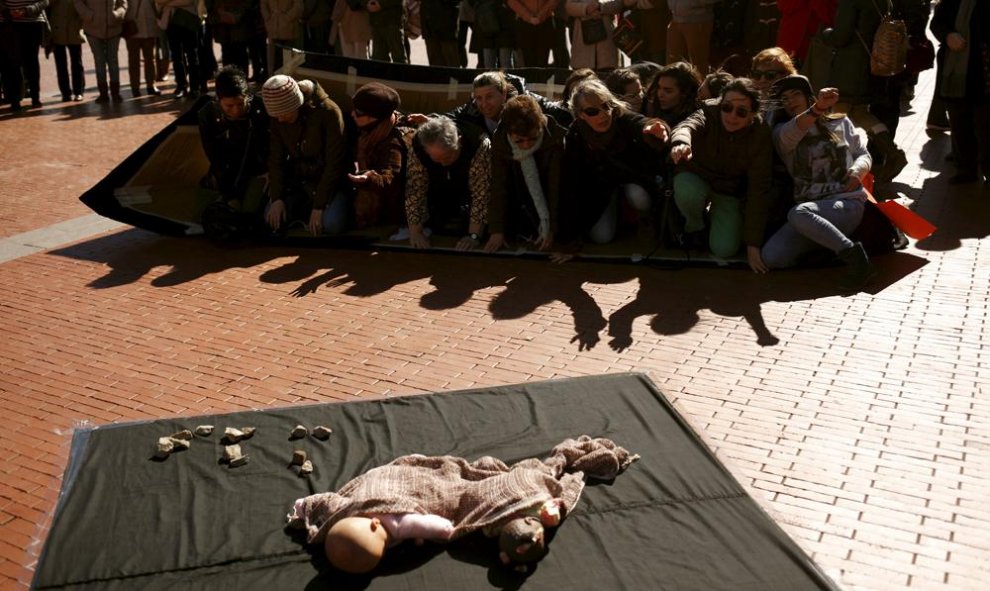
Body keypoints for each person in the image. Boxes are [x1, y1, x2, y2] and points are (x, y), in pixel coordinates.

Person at [759, 75, 874, 291]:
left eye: (796, 95)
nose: (791, 101)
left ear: (807, 96)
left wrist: (857, 171)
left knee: (798, 213)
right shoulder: (782, 133)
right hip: (810, 212)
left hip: (846, 204)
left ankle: (859, 262)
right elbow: (798, 127)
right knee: (771, 257)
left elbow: (863, 154)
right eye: (784, 99)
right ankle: (829, 248)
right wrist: (817, 108)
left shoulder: (840, 122)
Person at [555, 79, 670, 261]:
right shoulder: (576, 136)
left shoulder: (622, 118)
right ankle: (620, 217)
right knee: (602, 238)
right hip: (602, 190)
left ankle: (645, 220)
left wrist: (653, 128)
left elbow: (640, 123)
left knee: (637, 196)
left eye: (606, 105)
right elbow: (569, 185)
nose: (603, 115)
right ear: (581, 115)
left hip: (633, 181)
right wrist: (567, 243)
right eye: (593, 111)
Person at [669, 77, 773, 267]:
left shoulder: (760, 134)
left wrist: (753, 245)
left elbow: (759, 189)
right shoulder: (709, 111)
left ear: (752, 114)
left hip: (728, 191)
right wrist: (681, 142)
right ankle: (695, 226)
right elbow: (687, 126)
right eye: (726, 107)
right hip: (697, 177)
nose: (732, 116)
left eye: (741, 112)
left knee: (724, 250)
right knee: (687, 190)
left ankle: (713, 220)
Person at [819, 0, 907, 186]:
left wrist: (826, 34)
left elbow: (841, 36)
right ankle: (893, 152)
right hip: (870, 65)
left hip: (849, 66)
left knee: (837, 113)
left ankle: (835, 167)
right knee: (860, 112)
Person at [262, 74, 352, 235]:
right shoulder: (278, 118)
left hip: (329, 184)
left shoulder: (328, 112)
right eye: (276, 116)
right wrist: (277, 198)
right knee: (272, 219)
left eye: (285, 114)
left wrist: (319, 205)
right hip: (299, 183)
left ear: (297, 104)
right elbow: (276, 159)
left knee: (332, 224)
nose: (280, 119)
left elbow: (335, 164)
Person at [485, 94, 566, 254]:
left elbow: (556, 187)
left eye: (532, 138)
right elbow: (498, 187)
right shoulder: (501, 142)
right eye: (519, 141)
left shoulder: (555, 138)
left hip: (551, 202)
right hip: (521, 201)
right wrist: (497, 230)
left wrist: (553, 229)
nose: (527, 145)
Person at [405, 117, 492, 250]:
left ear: (459, 142)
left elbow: (481, 193)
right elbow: (415, 188)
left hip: (467, 192)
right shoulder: (418, 145)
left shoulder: (478, 143)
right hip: (438, 192)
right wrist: (415, 232)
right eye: (435, 158)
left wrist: (474, 236)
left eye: (447, 157)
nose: (443, 163)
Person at [931, 0, 990, 186]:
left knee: (986, 125)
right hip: (956, 72)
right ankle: (966, 169)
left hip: (985, 72)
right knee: (959, 122)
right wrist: (948, 36)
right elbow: (937, 23)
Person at [197, 65, 269, 213]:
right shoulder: (208, 114)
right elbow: (214, 156)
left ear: (247, 97)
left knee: (250, 210)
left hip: (260, 170)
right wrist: (230, 196)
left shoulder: (262, 108)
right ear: (218, 100)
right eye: (229, 106)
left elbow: (275, 145)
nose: (236, 110)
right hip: (228, 170)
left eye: (240, 104)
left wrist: (272, 171)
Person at [348, 82, 407, 230]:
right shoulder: (367, 130)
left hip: (389, 209)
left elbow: (390, 178)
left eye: (359, 112)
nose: (352, 114)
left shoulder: (393, 142)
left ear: (374, 118)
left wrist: (369, 178)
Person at [324, 514, 455, 574]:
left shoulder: (397, 526)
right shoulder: (350, 515)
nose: (387, 546)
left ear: (375, 523)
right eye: (384, 549)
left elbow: (425, 524)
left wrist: (445, 529)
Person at [76, 0, 127, 102]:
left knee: (113, 61)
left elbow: (123, 4)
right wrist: (90, 16)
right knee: (99, 61)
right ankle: (103, 94)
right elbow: (78, 3)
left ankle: (115, 93)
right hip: (93, 29)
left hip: (113, 28)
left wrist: (117, 14)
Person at [0, 0, 47, 110]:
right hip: (9, 23)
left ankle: (35, 98)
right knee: (12, 63)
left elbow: (45, 1)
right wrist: (8, 12)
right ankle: (15, 100)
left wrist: (26, 10)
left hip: (32, 23)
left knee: (32, 62)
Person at [156, 0, 204, 99]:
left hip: (189, 20)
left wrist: (167, 3)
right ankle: (181, 86)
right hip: (172, 22)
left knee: (192, 56)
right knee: (176, 56)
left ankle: (195, 87)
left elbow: (188, 1)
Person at [640, 60, 702, 128]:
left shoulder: (695, 117)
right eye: (659, 87)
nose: (660, 94)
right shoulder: (649, 105)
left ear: (684, 93)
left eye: (668, 91)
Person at [665, 0, 717, 74]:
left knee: (698, 62)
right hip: (675, 19)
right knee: (673, 60)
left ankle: (700, 84)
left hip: (698, 21)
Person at [49, 0, 86, 102]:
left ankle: (79, 91)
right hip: (57, 29)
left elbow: (84, 5)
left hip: (74, 28)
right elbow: (47, 6)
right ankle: (65, 93)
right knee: (60, 64)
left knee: (77, 62)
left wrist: (81, 23)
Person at [125, 0, 163, 97]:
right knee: (134, 61)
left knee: (150, 59)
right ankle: (135, 87)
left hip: (149, 26)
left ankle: (151, 85)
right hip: (133, 27)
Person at [506, 0, 555, 67]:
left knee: (543, 59)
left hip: (544, 21)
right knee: (528, 59)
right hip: (524, 22)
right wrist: (528, 17)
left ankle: (542, 76)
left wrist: (540, 15)